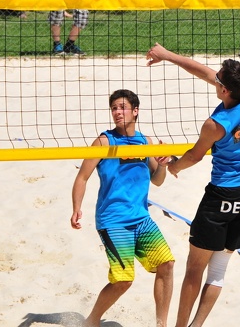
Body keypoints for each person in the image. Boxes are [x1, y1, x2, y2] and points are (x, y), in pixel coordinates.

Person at [144, 43, 240, 327]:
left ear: (224, 90)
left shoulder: (215, 124)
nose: (214, 77)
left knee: (194, 269)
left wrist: (172, 165)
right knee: (218, 270)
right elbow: (203, 72)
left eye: (218, 78)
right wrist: (168, 55)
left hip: (221, 196)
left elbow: (194, 157)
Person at [71, 89, 175, 327]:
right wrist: (76, 207)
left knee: (166, 264)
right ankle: (92, 321)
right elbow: (82, 177)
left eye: (122, 107)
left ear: (135, 111)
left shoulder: (145, 141)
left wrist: (162, 165)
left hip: (141, 218)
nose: (117, 112)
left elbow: (157, 181)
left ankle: (162, 324)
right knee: (123, 280)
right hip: (113, 220)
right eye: (114, 108)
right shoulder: (104, 141)